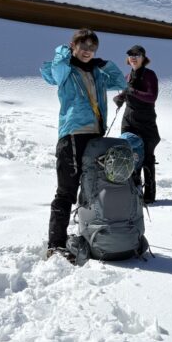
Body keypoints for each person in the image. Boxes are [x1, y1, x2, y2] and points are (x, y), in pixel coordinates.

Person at [40, 29, 126, 261]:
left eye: (92, 48)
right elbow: (55, 71)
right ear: (73, 46)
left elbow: (119, 81)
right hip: (73, 135)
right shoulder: (66, 70)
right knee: (66, 190)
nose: (88, 51)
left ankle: (91, 233)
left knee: (92, 188)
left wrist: (105, 64)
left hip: (96, 137)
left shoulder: (96, 73)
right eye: (83, 46)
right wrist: (63, 52)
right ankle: (55, 244)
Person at [113, 44, 161, 203]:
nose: (133, 57)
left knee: (146, 157)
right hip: (128, 120)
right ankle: (132, 191)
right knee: (129, 155)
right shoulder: (127, 77)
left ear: (143, 58)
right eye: (130, 54)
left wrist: (131, 91)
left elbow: (151, 96)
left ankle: (149, 196)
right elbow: (128, 93)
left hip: (145, 122)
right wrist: (121, 98)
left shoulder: (149, 75)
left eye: (137, 54)